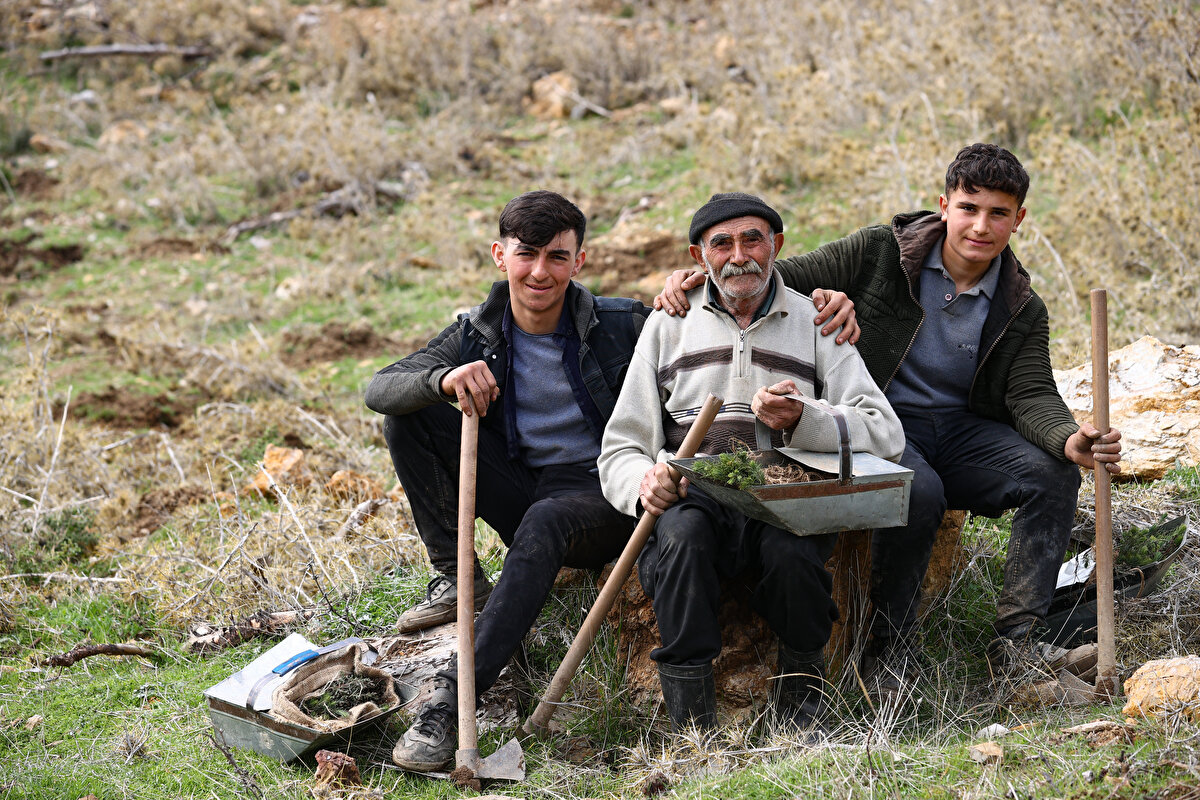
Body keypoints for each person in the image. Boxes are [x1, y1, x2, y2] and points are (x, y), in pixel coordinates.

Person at [653, 144, 1124, 700]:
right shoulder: (880, 253)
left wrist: (1069, 438)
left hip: (962, 430)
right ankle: (890, 645)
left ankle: (1017, 642)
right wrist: (694, 278)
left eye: (999, 213)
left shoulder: (1021, 303)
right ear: (944, 205)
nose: (981, 225)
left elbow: (1030, 393)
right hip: (880, 420)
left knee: (1052, 474)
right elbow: (775, 276)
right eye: (970, 208)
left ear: (1018, 220)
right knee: (917, 493)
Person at [365, 190, 649, 771]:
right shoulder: (476, 333)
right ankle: (456, 575)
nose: (540, 271)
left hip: (607, 491)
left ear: (581, 261)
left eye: (557, 257)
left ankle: (449, 701)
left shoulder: (624, 325)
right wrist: (444, 378)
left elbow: (709, 327)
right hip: (525, 484)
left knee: (548, 520)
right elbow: (379, 387)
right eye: (527, 255)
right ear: (500, 256)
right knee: (410, 410)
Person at [599, 192, 904, 731]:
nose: (739, 255)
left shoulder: (816, 319)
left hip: (783, 500)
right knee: (682, 541)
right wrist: (643, 483)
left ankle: (803, 716)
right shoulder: (668, 324)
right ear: (700, 257)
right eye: (722, 243)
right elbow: (621, 445)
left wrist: (802, 418)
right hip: (695, 495)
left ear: (777, 246)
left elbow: (884, 432)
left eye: (753, 239)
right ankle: (693, 730)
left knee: (794, 557)